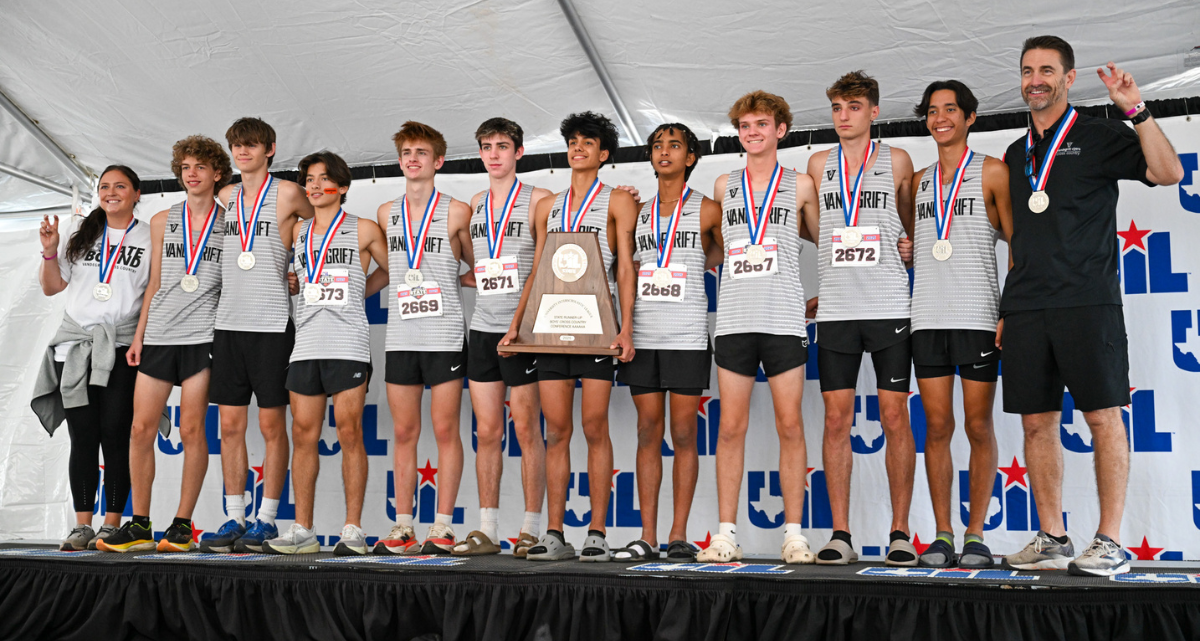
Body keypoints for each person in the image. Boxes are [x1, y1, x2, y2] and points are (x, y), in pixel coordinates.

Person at [998, 36, 1183, 577]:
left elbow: (1169, 173)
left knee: (1103, 417)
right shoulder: (1014, 153)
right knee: (1037, 424)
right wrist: (1008, 308)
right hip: (1027, 306)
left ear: (1069, 77)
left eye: (1047, 70)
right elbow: (1021, 236)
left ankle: (1110, 542)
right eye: (1028, 70)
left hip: (1087, 301)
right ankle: (1052, 537)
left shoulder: (1101, 134)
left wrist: (1137, 111)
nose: (1036, 80)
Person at [500, 111, 638, 562]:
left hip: (596, 331)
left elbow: (624, 267)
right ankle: (555, 533)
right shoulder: (548, 206)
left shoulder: (618, 199)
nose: (578, 148)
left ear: (604, 153)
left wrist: (626, 327)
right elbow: (539, 269)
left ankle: (597, 532)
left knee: (595, 427)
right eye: (573, 141)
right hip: (551, 328)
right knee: (557, 431)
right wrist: (517, 324)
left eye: (588, 142)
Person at [696, 91, 821, 565]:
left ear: (780, 130)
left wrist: (828, 292)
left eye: (761, 124)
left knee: (790, 425)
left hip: (784, 317)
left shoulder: (801, 184)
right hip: (734, 319)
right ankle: (726, 535)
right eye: (745, 126)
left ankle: (794, 535)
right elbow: (711, 247)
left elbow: (827, 240)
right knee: (730, 427)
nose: (752, 132)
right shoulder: (724, 184)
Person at [804, 71, 918, 566]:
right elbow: (810, 226)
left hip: (889, 305)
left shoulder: (898, 159)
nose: (843, 116)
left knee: (894, 416)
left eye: (853, 107)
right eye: (836, 107)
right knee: (836, 420)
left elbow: (911, 223)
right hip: (837, 309)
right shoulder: (817, 164)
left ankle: (900, 533)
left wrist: (909, 245)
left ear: (874, 111)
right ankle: (841, 534)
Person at [97, 137, 231, 552]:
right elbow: (153, 283)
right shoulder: (161, 220)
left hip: (202, 337)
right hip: (158, 336)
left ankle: (182, 525)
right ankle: (140, 524)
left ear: (217, 174)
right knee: (140, 429)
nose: (192, 174)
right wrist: (139, 337)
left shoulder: (231, 222)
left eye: (201, 167)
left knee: (191, 429)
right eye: (186, 167)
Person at [905, 82, 1013, 568]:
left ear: (970, 117)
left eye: (951, 109)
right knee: (936, 426)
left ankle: (976, 535)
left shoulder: (993, 171)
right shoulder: (918, 181)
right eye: (933, 111)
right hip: (927, 318)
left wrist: (1009, 310)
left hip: (977, 316)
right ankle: (943, 534)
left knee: (977, 425)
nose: (940, 118)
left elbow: (1017, 243)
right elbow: (914, 241)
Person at [261, 151, 389, 555]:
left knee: (349, 431)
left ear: (342, 186)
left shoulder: (363, 228)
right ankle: (303, 529)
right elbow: (296, 276)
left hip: (348, 343)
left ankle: (353, 529)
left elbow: (392, 269)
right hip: (306, 344)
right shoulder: (298, 231)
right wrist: (297, 283)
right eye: (310, 180)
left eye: (323, 179)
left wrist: (358, 290)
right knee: (303, 434)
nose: (315, 186)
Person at [200, 118, 314, 553]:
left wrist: (300, 268)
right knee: (230, 426)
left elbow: (320, 227)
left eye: (251, 145)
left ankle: (266, 519)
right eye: (237, 145)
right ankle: (235, 516)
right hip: (228, 325)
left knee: (270, 425)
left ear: (270, 149)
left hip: (271, 325)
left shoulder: (289, 193)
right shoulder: (226, 195)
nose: (243, 152)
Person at [612, 123, 722, 563]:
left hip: (687, 334)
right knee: (646, 431)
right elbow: (621, 264)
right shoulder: (636, 210)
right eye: (657, 145)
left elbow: (725, 251)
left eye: (674, 145)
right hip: (642, 333)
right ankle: (647, 535)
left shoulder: (708, 209)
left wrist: (690, 266)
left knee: (683, 432)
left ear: (690, 157)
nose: (664, 152)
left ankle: (678, 534)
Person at [32, 165, 152, 551]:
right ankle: (82, 526)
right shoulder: (79, 231)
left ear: (137, 193)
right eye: (104, 187)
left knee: (116, 436)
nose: (111, 192)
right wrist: (49, 252)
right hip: (76, 350)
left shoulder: (149, 236)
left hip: (121, 348)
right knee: (82, 438)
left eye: (120, 186)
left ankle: (111, 525)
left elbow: (152, 294)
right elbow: (52, 287)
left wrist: (139, 339)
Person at [451, 118, 553, 557]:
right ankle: (488, 529)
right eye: (487, 146)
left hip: (524, 331)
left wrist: (519, 323)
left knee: (527, 428)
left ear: (519, 152)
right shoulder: (476, 203)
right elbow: (480, 264)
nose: (494, 154)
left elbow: (545, 263)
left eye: (503, 146)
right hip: (483, 327)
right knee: (488, 430)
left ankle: (531, 528)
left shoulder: (539, 199)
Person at [373, 122, 474, 555]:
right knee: (404, 431)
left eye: (421, 152)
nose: (413, 159)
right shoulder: (385, 212)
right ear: (400, 161)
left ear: (439, 161)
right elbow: (388, 269)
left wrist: (449, 284)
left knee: (446, 429)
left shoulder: (457, 211)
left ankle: (443, 527)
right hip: (400, 336)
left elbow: (480, 267)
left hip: (444, 334)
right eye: (406, 153)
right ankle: (403, 527)